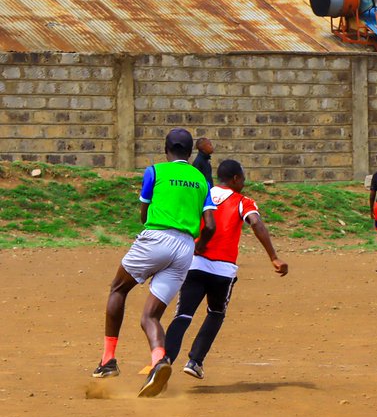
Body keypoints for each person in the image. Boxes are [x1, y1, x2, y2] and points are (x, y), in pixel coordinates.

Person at [92, 128, 216, 398]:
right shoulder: (201, 179)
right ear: (190, 151)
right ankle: (159, 359)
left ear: (166, 149)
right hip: (185, 249)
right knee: (150, 316)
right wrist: (199, 246)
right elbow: (209, 224)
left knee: (118, 289)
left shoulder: (155, 171)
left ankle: (107, 361)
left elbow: (143, 212)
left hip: (156, 238)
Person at [163, 159, 288, 379]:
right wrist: (274, 257)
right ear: (236, 179)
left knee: (183, 314)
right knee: (216, 313)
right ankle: (195, 360)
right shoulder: (243, 201)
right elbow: (256, 223)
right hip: (223, 270)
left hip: (195, 264)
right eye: (244, 177)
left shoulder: (203, 194)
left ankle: (163, 361)